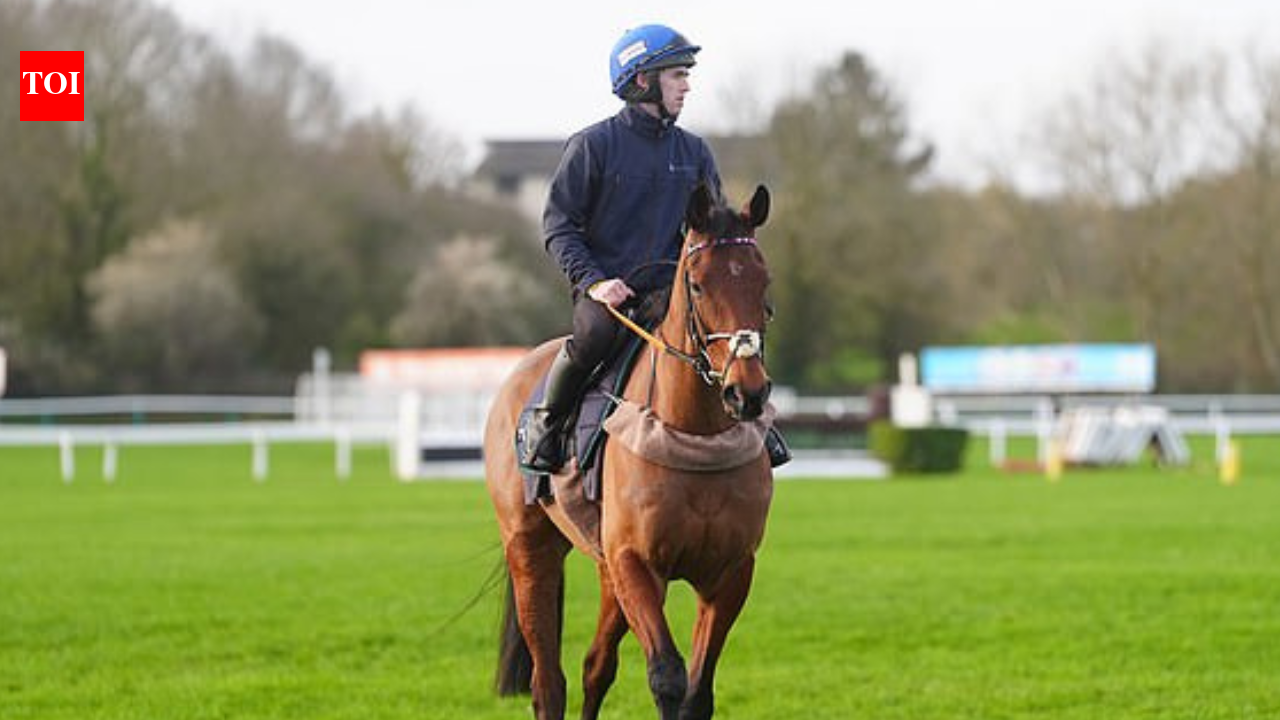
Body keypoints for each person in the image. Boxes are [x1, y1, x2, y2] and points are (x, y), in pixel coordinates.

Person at [521, 23, 789, 473]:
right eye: (677, 75)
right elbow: (559, 226)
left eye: (686, 75)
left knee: (731, 332)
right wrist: (596, 282)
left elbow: (713, 234)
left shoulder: (695, 152)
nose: (687, 86)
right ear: (642, 81)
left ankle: (758, 424)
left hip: (676, 291)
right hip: (611, 292)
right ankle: (547, 425)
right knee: (593, 337)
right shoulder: (593, 146)